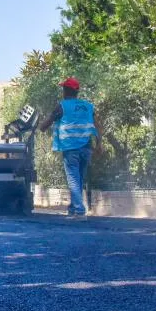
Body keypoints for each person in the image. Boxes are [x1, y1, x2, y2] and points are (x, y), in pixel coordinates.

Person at [38, 77, 102, 219]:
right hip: (86, 148)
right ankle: (73, 209)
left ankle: (79, 211)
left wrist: (40, 126)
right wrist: (99, 144)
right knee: (79, 180)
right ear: (77, 91)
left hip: (71, 149)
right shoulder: (88, 106)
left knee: (73, 179)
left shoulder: (63, 106)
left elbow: (46, 123)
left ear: (65, 90)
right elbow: (97, 125)